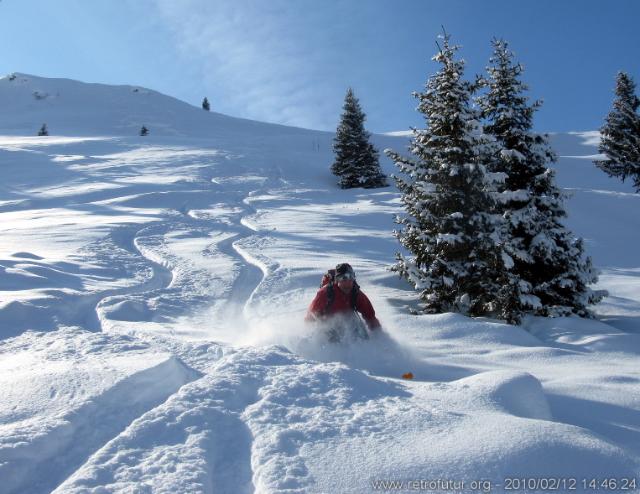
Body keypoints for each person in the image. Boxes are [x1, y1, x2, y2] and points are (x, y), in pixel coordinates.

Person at [305, 263, 381, 332]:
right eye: (343, 278)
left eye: (351, 277)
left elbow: (370, 317)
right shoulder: (326, 293)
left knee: (360, 332)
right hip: (326, 324)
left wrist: (379, 337)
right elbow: (310, 316)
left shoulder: (356, 293)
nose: (348, 281)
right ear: (337, 279)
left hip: (348, 323)